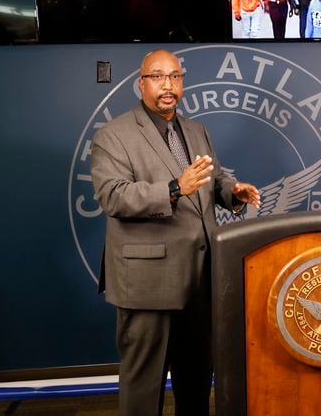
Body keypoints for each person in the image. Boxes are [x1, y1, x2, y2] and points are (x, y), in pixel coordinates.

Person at [90, 49, 261, 416]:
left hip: (200, 280)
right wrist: (173, 188)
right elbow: (113, 196)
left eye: (175, 77)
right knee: (143, 387)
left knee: (197, 380)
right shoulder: (113, 135)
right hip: (147, 283)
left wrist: (231, 192)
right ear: (141, 83)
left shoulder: (196, 130)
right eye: (157, 77)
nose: (167, 85)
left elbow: (210, 180)